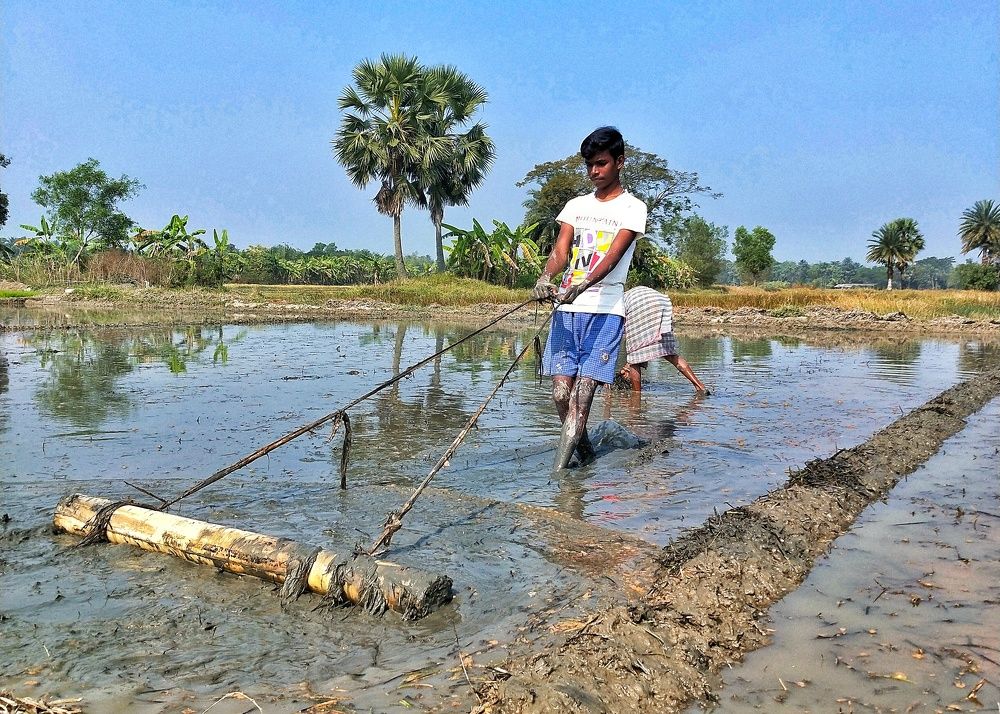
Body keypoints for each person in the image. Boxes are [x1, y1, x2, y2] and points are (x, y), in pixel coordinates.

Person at [532, 126, 647, 469]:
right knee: (559, 395)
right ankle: (587, 459)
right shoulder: (575, 206)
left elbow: (613, 254)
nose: (594, 172)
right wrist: (545, 277)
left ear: (619, 162)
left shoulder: (633, 208)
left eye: (601, 164)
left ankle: (561, 480)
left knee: (582, 399)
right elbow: (560, 251)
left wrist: (582, 285)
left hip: (605, 311)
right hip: (566, 312)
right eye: (589, 166)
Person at [616, 286, 709, 394]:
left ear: (624, 373)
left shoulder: (616, 304)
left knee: (634, 360)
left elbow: (630, 348)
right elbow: (643, 349)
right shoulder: (623, 296)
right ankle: (700, 386)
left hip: (639, 305)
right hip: (660, 302)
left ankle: (637, 396)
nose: (627, 377)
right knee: (670, 354)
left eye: (626, 376)